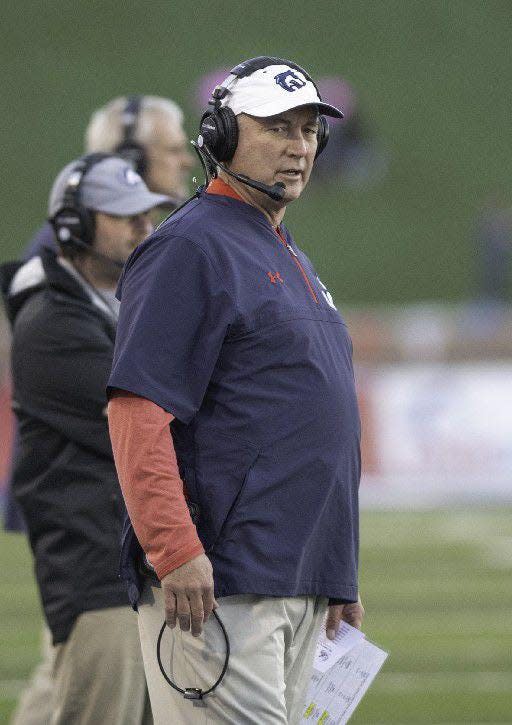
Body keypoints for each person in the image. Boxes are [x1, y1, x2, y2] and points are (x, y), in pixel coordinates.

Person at [107, 56, 364, 724]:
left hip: (297, 576)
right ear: (221, 135)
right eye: (277, 127)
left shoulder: (283, 248)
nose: (299, 146)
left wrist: (335, 572)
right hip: (223, 583)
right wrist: (175, 548)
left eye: (309, 130)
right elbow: (138, 412)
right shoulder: (188, 248)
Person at [1, 154, 171, 724]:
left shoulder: (109, 306)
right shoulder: (51, 321)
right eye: (124, 216)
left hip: (130, 570)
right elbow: (151, 420)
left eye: (147, 214)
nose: (143, 227)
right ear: (73, 226)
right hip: (97, 575)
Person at [23, 94, 194, 259]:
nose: (188, 162)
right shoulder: (72, 248)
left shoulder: (139, 234)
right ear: (131, 160)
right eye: (174, 150)